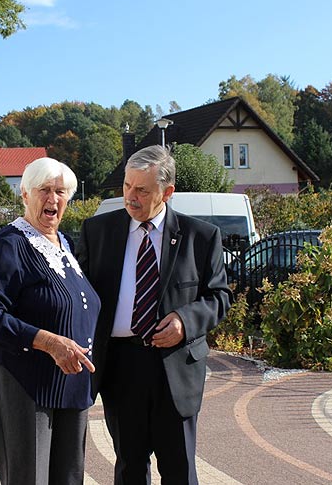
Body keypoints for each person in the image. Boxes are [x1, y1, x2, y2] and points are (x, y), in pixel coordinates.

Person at [76, 145, 232, 485]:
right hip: (120, 369)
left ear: (167, 192)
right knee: (130, 468)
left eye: (142, 190)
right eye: (127, 186)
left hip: (175, 370)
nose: (130, 197)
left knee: (179, 470)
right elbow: (78, 295)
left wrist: (184, 321)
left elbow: (219, 297)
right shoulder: (97, 232)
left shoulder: (201, 237)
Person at [0, 157, 101, 485]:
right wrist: (49, 342)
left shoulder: (66, 244)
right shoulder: (9, 246)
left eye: (60, 191)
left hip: (72, 383)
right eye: (44, 190)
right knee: (30, 479)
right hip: (26, 382)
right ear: (25, 194)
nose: (53, 199)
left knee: (69, 478)